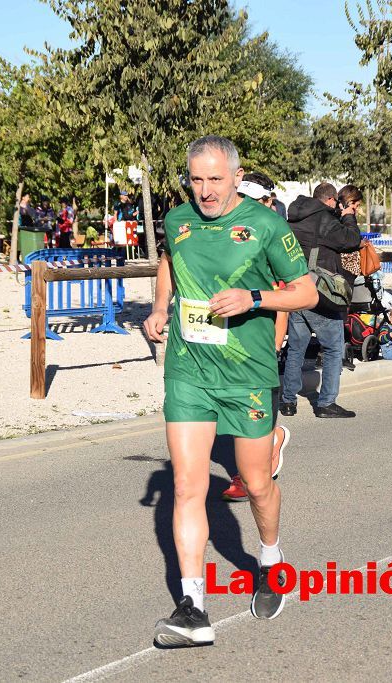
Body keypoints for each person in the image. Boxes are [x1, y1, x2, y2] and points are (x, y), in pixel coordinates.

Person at [143, 135, 317, 646]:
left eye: (215, 179)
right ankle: (193, 607)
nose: (205, 190)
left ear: (236, 177)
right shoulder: (177, 220)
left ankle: (269, 558)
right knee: (187, 486)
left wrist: (254, 298)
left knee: (256, 483)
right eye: (196, 179)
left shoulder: (265, 225)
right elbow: (169, 263)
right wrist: (159, 307)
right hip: (189, 368)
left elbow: (305, 290)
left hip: (248, 375)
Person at [221, 171, 294, 503]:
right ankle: (273, 437)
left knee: (255, 407)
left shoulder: (273, 235)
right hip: (226, 334)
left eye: (256, 202)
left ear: (269, 202)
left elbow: (284, 299)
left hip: (263, 336)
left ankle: (247, 473)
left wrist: (276, 343)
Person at [281, 182, 362, 419]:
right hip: (320, 292)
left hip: (296, 287)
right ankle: (326, 402)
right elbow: (350, 240)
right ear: (329, 200)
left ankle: (288, 401)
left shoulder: (294, 217)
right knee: (334, 348)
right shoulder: (323, 219)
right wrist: (348, 217)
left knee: (296, 348)